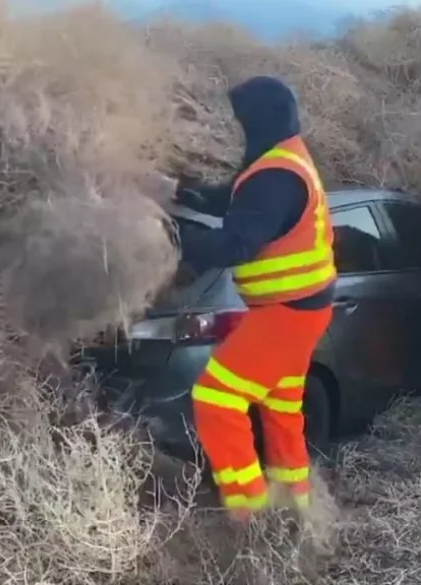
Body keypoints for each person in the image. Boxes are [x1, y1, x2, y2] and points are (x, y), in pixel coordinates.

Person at [173, 75, 336, 521]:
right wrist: (182, 196)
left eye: (241, 121)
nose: (237, 130)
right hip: (302, 308)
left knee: (217, 398)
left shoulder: (277, 176)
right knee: (282, 407)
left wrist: (173, 238)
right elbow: (239, 200)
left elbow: (235, 245)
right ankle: (295, 509)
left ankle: (250, 514)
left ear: (256, 121)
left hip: (286, 313)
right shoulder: (283, 158)